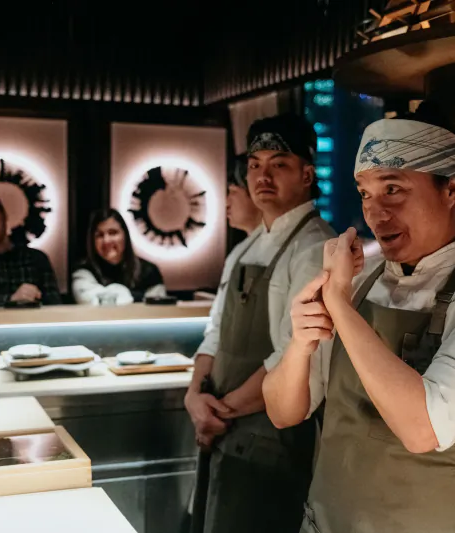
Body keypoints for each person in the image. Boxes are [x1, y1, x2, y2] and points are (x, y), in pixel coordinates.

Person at [263, 103, 455, 533]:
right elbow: (283, 412)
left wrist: (338, 304)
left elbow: (423, 428)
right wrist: (301, 344)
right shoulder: (356, 285)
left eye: (393, 189)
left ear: (452, 189)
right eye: (365, 193)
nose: (375, 214)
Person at [187, 114, 335, 533]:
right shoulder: (246, 247)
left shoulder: (314, 247)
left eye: (279, 164)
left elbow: (293, 355)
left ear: (307, 173)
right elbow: (214, 331)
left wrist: (220, 412)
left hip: (270, 438)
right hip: (222, 429)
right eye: (255, 165)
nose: (262, 176)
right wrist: (194, 396)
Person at [72, 208, 165, 305]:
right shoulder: (83, 271)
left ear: (125, 235)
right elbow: (89, 300)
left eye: (113, 233)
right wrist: (139, 297)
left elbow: (156, 309)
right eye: (99, 235)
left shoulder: (149, 271)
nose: (106, 240)